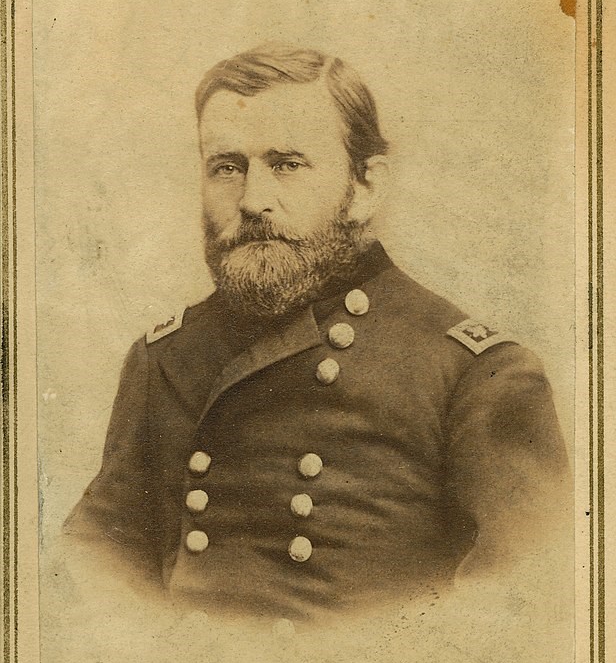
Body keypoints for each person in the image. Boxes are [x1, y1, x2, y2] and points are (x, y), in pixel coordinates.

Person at [62, 44, 570, 625]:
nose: (253, 201)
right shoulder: (166, 356)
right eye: (226, 167)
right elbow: (93, 565)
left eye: (287, 164)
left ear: (367, 186)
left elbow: (522, 605)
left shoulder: (478, 374)